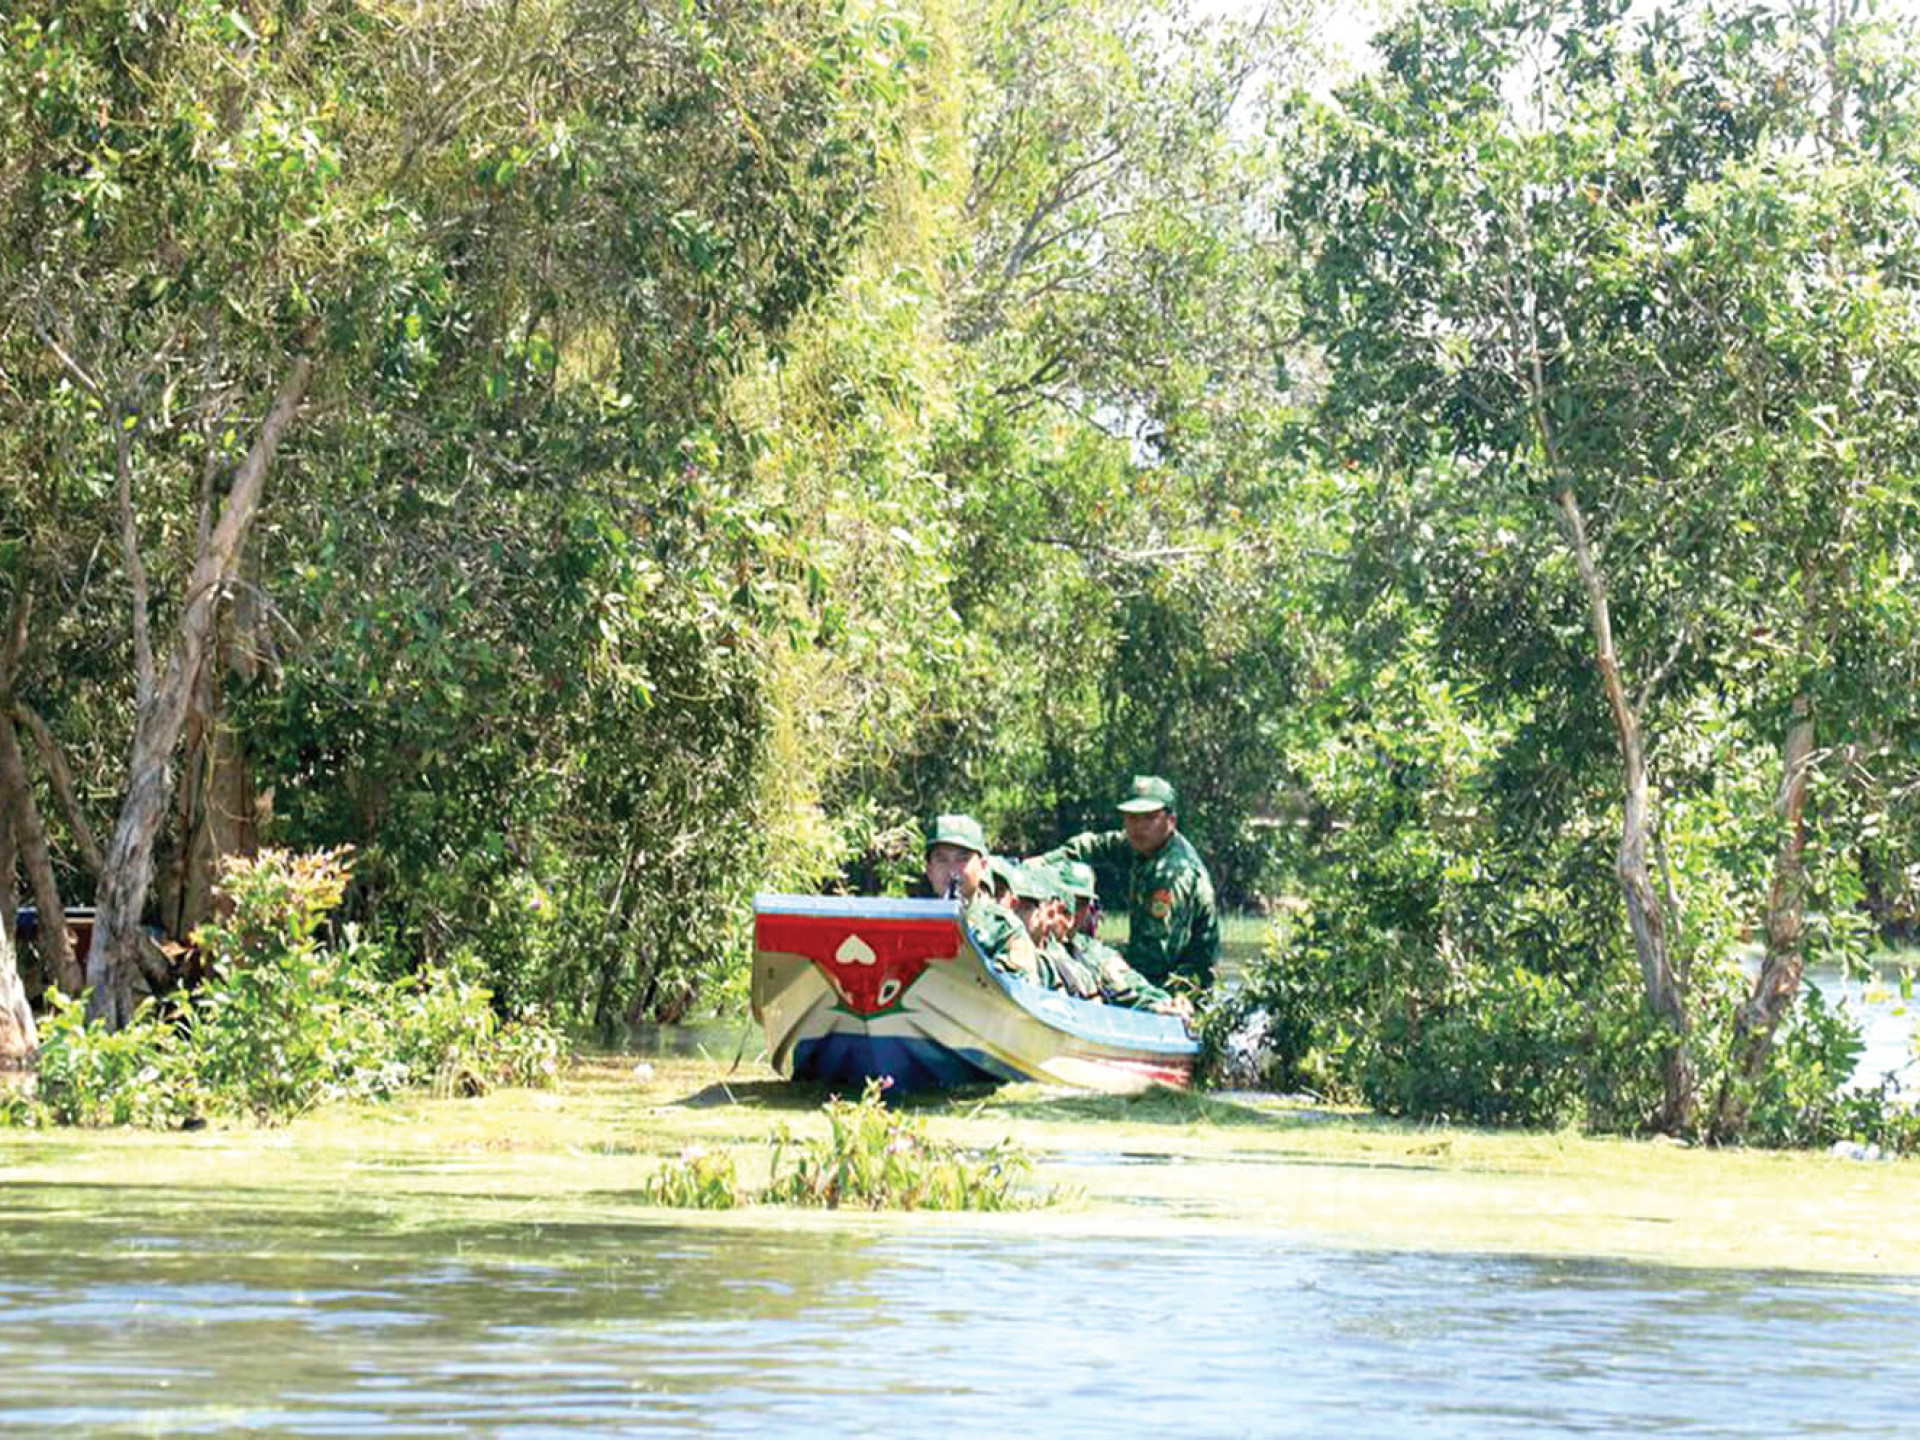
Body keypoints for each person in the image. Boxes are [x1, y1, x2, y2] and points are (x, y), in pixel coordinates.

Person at [1035, 775, 1219, 991]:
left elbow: (1155, 958)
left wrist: (1098, 957)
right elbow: (1094, 846)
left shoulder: (1171, 875)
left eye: (1149, 817)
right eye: (1132, 817)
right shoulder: (1143, 845)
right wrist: (1041, 863)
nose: (1139, 826)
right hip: (1154, 973)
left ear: (1171, 821)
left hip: (1182, 989)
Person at [1050, 859, 1188, 1016]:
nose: (1072, 912)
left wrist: (1166, 1002)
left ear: (1090, 907)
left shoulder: (1092, 952)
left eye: (1080, 904)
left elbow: (1132, 984)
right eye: (1065, 902)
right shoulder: (1031, 946)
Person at [924, 814, 1042, 984]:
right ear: (929, 870)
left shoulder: (1002, 928)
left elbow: (1019, 986)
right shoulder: (915, 921)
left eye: (962, 859)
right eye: (942, 859)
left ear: (983, 866)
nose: (952, 870)